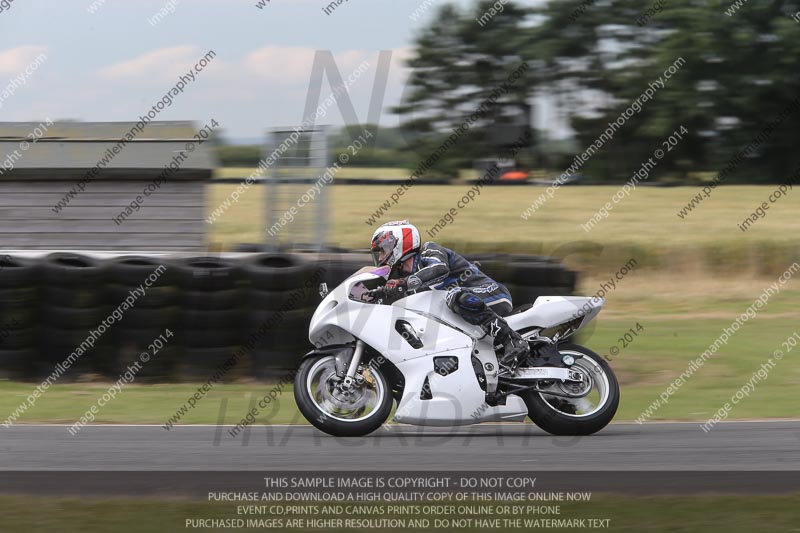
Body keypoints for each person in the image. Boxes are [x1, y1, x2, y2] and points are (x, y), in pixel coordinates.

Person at [369, 220, 529, 365]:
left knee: (456, 296)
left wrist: (403, 284)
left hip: (491, 293)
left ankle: (512, 340)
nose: (381, 257)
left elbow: (440, 269)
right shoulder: (408, 282)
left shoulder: (428, 250)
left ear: (399, 243)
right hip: (465, 314)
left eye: (383, 250)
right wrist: (376, 295)